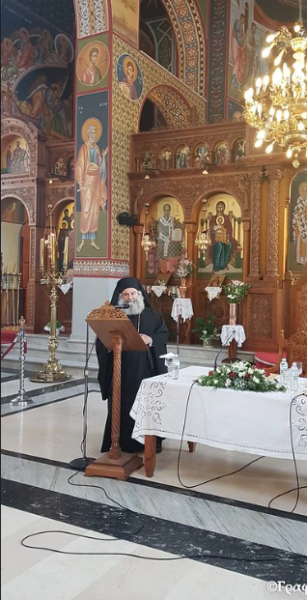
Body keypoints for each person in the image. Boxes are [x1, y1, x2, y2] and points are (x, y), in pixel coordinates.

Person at [96, 277, 169, 454]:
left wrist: (150, 339)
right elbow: (101, 341)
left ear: (140, 294)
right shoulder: (113, 316)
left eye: (133, 293)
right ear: (120, 296)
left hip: (146, 370)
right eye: (126, 294)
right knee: (122, 404)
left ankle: (148, 442)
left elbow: (163, 335)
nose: (130, 298)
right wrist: (108, 345)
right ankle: (120, 440)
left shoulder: (152, 315)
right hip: (120, 369)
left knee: (146, 406)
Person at [76, 121, 108, 252]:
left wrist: (104, 157)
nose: (94, 136)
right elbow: (80, 165)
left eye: (95, 133)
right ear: (88, 134)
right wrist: (81, 182)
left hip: (96, 182)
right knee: (86, 209)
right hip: (87, 182)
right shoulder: (84, 148)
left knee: (95, 211)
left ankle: (93, 241)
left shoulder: (97, 148)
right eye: (93, 133)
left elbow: (100, 167)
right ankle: (83, 241)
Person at [292, 184, 307, 265]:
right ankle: (299, 260)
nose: (304, 192)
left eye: (306, 191)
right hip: (300, 224)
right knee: (300, 241)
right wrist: (299, 215)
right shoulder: (299, 200)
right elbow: (296, 212)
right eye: (303, 190)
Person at [209, 200, 237, 271]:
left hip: (225, 237)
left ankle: (224, 264)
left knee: (229, 245)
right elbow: (211, 229)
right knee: (219, 246)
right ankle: (216, 266)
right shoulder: (213, 218)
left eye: (222, 207)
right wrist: (215, 228)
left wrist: (227, 236)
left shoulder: (226, 218)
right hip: (215, 238)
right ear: (216, 208)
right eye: (218, 207)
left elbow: (229, 228)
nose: (220, 209)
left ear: (224, 208)